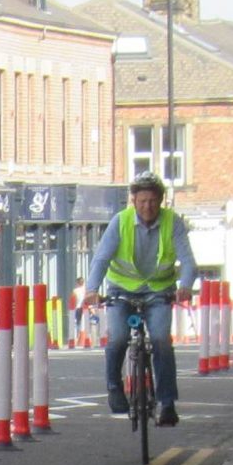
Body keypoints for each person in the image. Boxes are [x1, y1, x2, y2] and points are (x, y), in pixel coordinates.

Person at [82, 174, 199, 426]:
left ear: (161, 201)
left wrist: (186, 286)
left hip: (159, 291)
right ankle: (114, 387)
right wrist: (91, 289)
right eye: (143, 201)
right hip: (121, 290)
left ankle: (166, 403)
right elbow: (101, 258)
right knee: (119, 337)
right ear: (133, 201)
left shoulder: (173, 222)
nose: (148, 207)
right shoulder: (120, 222)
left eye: (154, 201)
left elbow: (188, 261)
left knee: (159, 339)